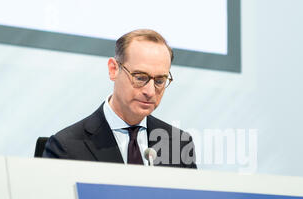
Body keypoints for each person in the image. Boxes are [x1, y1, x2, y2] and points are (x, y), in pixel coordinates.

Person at [42, 29, 197, 169]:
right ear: (113, 69)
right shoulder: (67, 146)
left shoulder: (179, 144)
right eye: (140, 77)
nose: (150, 92)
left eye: (159, 81)